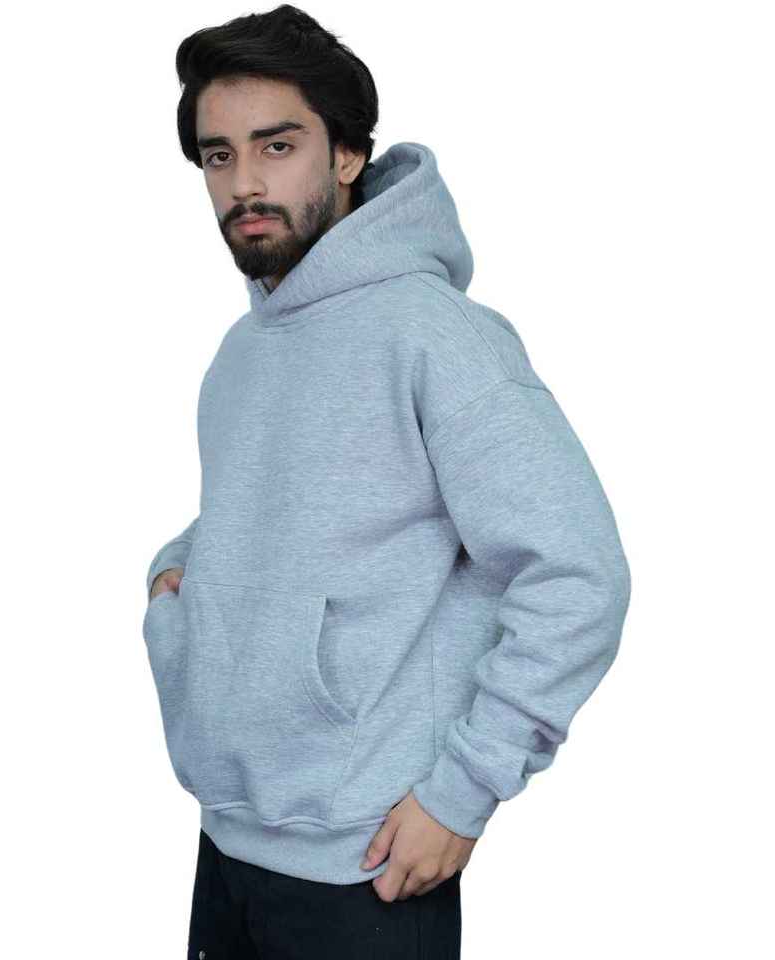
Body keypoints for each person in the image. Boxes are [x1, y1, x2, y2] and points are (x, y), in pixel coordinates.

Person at [142, 5, 632, 957]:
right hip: (228, 838)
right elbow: (273, 515)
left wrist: (462, 791)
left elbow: (578, 574)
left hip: (365, 864)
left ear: (347, 154)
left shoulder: (436, 336)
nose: (245, 183)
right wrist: (179, 575)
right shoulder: (242, 353)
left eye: (277, 145)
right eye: (217, 156)